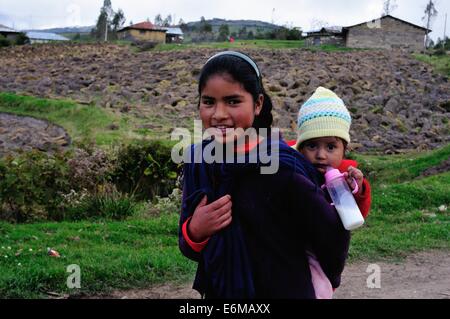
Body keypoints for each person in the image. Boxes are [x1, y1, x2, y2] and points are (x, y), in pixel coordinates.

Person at [178, 51, 350, 299]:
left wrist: (323, 281)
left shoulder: (283, 167)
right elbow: (188, 246)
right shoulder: (199, 163)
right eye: (208, 102)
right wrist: (196, 230)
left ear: (257, 104)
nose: (218, 114)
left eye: (233, 101)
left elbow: (332, 235)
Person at [287, 86, 372, 298]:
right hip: (294, 245)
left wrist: (358, 188)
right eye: (312, 145)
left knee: (320, 288)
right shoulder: (295, 170)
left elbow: (356, 214)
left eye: (331, 147)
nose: (321, 155)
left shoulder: (345, 177)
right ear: (300, 147)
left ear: (344, 148)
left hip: (325, 250)